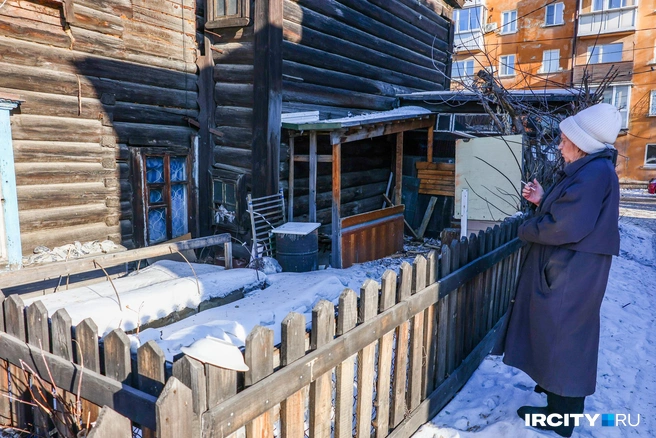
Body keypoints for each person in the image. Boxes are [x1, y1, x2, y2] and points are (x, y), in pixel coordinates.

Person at [493, 103, 622, 437]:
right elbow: (575, 210)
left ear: (580, 143)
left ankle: (561, 418)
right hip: (574, 268)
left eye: (564, 140)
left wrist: (526, 228)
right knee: (562, 334)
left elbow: (567, 226)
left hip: (572, 271)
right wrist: (543, 199)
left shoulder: (593, 172)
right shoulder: (591, 169)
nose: (560, 146)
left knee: (564, 337)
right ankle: (556, 404)